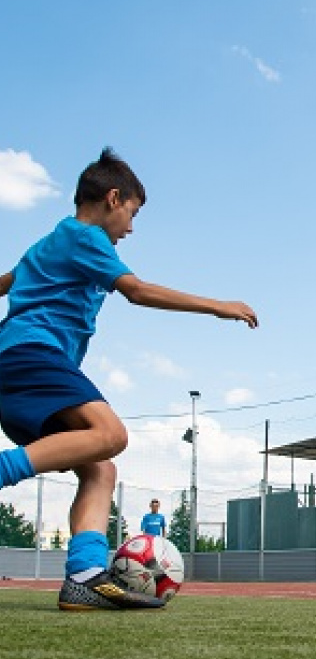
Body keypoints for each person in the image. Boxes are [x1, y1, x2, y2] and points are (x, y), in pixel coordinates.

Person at [0, 148, 258, 611]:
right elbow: (136, 291)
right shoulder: (86, 236)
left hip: (22, 363)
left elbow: (7, 281)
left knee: (101, 467)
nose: (131, 228)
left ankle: (83, 578)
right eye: (133, 214)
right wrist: (219, 306)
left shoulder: (48, 244)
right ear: (113, 198)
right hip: (31, 354)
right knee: (110, 435)